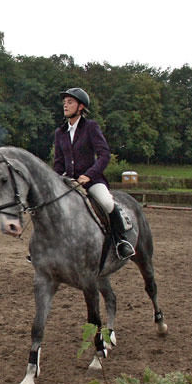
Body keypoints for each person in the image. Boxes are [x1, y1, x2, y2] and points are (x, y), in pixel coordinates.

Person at [53, 87, 135, 260]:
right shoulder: (60, 133)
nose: (65, 106)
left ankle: (121, 241)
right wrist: (57, 180)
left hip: (92, 180)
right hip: (69, 182)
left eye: (70, 102)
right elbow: (59, 162)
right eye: (64, 103)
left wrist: (89, 175)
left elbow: (104, 155)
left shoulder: (91, 127)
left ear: (80, 107)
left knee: (106, 202)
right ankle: (45, 247)